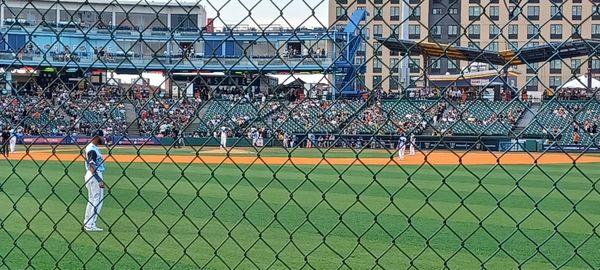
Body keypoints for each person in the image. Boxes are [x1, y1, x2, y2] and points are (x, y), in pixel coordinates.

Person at [83, 130, 106, 232]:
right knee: (97, 200)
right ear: (97, 137)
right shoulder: (92, 149)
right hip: (94, 175)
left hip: (90, 175)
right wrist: (99, 180)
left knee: (92, 199)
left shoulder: (92, 147)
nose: (103, 139)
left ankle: (87, 223)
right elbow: (91, 165)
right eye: (102, 137)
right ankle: (90, 224)